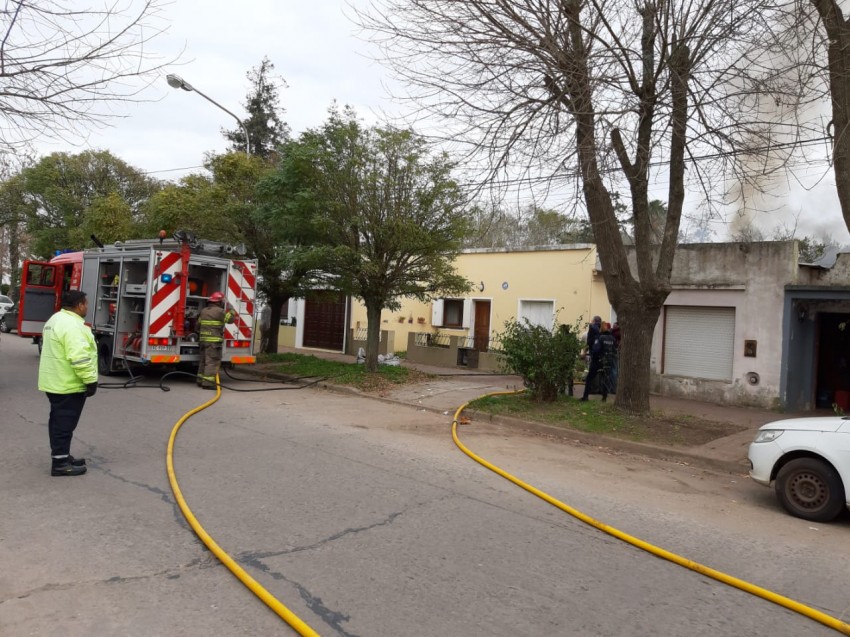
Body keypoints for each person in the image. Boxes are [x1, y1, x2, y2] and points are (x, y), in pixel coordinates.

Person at [38, 290, 99, 476]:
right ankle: (60, 464)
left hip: (55, 381)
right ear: (79, 305)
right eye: (86, 303)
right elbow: (79, 357)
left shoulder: (55, 320)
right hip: (67, 384)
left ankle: (62, 455)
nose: (87, 306)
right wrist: (90, 380)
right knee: (64, 424)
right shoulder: (73, 326)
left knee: (58, 421)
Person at [197, 291, 235, 389]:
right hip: (213, 342)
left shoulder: (204, 311)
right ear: (220, 302)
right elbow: (230, 320)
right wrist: (231, 309)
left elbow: (198, 325)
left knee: (203, 361)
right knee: (211, 362)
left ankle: (200, 380)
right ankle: (208, 383)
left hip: (203, 340)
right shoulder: (220, 311)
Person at [581, 320, 616, 402]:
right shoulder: (612, 338)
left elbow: (596, 349)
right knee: (605, 378)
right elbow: (614, 349)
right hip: (608, 360)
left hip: (598, 361)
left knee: (589, 378)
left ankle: (585, 396)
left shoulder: (599, 337)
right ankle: (604, 397)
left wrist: (593, 354)